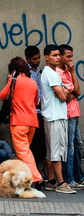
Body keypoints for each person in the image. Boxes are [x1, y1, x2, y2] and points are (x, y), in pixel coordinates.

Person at [0, 57, 43, 189]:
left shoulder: (14, 80)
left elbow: (3, 95)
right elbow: (36, 102)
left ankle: (37, 178)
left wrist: (9, 79)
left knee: (23, 153)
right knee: (23, 152)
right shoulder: (33, 82)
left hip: (18, 122)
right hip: (32, 122)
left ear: (13, 70)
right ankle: (22, 180)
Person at [41, 44, 76, 194]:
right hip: (55, 116)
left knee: (52, 151)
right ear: (46, 57)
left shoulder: (51, 72)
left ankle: (51, 181)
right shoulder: (51, 73)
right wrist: (66, 92)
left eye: (58, 55)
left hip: (54, 115)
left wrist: (65, 92)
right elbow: (64, 96)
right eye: (54, 55)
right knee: (56, 152)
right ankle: (61, 183)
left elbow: (67, 94)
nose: (57, 57)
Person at [56, 44, 84, 189]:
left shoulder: (67, 70)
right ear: (60, 56)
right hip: (68, 113)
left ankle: (78, 177)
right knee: (70, 147)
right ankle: (69, 178)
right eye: (68, 56)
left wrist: (72, 93)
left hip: (75, 111)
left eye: (72, 56)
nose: (71, 59)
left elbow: (76, 91)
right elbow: (77, 93)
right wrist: (73, 73)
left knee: (78, 145)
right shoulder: (59, 73)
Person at [25, 46, 47, 178]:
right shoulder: (24, 73)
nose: (38, 61)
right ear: (27, 59)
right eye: (34, 59)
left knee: (41, 144)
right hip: (30, 112)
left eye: (39, 58)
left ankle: (39, 172)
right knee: (31, 145)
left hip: (41, 112)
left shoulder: (41, 72)